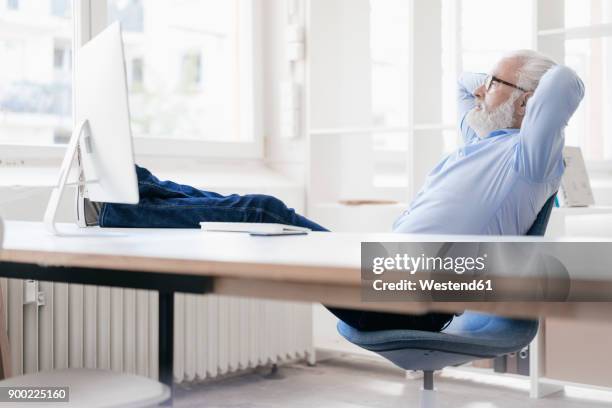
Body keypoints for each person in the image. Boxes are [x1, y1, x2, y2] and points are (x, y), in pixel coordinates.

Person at [83, 49, 584, 332]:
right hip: (383, 270)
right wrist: (502, 83)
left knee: (263, 210)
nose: (479, 91)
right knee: (256, 209)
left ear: (528, 106)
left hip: (414, 294)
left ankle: (121, 210)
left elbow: (565, 83)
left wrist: (521, 84)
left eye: (494, 84)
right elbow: (462, 82)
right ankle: (135, 192)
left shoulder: (530, 159)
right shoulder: (480, 136)